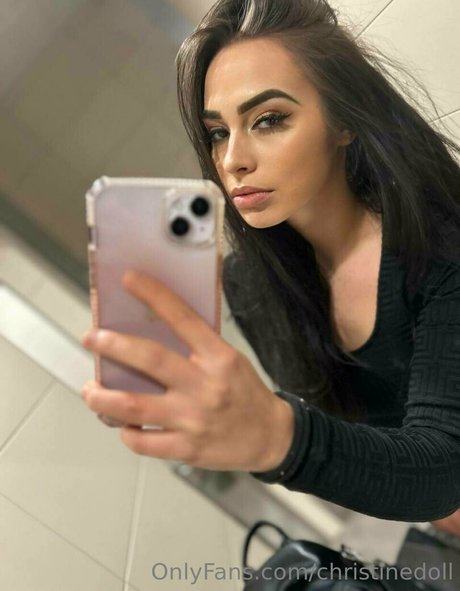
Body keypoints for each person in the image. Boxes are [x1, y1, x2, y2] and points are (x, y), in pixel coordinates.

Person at [80, 0, 460, 537]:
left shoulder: (443, 250)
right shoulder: (250, 287)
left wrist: (275, 435)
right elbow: (359, 445)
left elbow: (443, 466)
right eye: (218, 132)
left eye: (269, 120)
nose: (233, 159)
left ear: (343, 121)